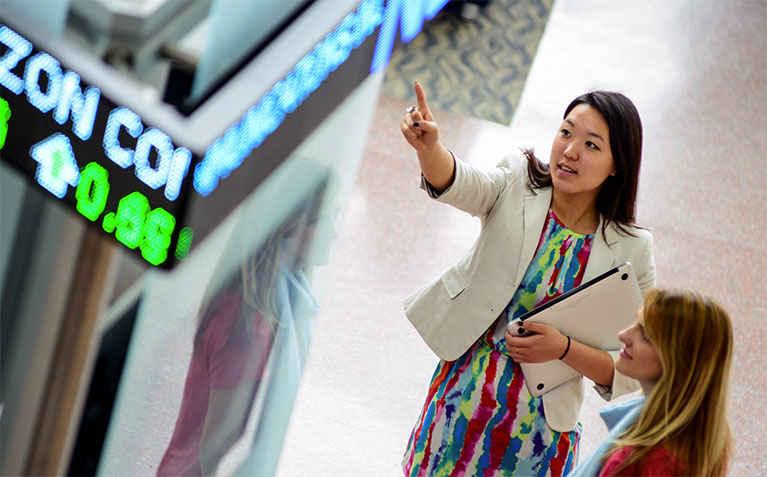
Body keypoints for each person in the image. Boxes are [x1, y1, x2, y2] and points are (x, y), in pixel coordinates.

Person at [399, 82, 656, 476]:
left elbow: (640, 366)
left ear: (617, 164)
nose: (569, 151)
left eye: (591, 145)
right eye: (566, 132)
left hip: (538, 436)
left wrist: (564, 348)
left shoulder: (631, 247)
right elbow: (461, 184)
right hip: (461, 399)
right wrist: (430, 150)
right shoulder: (518, 181)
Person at [157, 179, 333, 476]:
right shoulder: (246, 324)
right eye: (321, 221)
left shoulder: (283, 300)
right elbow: (218, 444)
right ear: (285, 226)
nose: (333, 233)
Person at [570, 287, 733, 476]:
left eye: (645, 336)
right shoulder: (706, 440)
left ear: (679, 360)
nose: (623, 335)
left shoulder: (638, 462)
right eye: (635, 323)